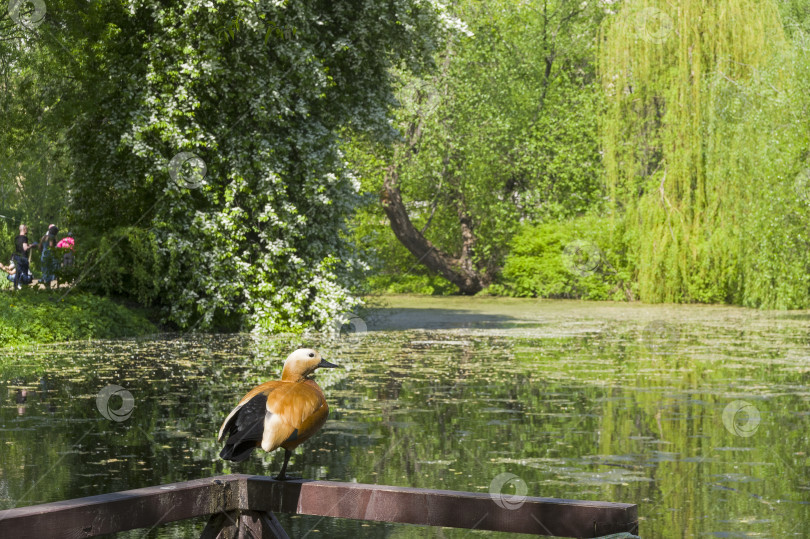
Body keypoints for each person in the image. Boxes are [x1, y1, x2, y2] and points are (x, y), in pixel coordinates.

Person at [13, 224, 37, 290]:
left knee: (18, 272)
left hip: (17, 257)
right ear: (23, 229)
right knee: (25, 273)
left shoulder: (16, 238)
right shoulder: (24, 238)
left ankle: (15, 287)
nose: (27, 230)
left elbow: (20, 246)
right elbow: (25, 248)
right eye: (26, 229)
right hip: (23, 257)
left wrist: (29, 245)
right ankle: (25, 288)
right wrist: (32, 245)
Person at [39, 224, 59, 289]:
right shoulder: (52, 237)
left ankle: (46, 285)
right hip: (49, 254)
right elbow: (51, 245)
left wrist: (42, 252)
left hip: (43, 254)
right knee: (51, 269)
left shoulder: (44, 237)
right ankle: (48, 287)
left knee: (45, 270)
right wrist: (55, 250)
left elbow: (40, 246)